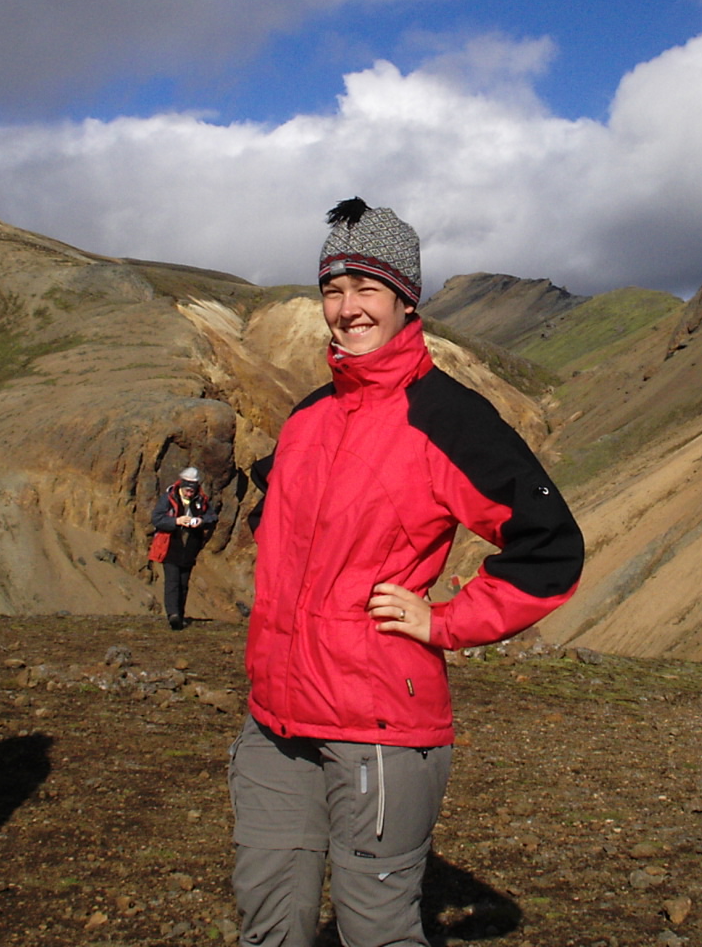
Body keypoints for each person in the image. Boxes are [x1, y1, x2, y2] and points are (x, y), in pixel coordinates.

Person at [230, 198, 586, 947]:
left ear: (404, 298)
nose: (347, 308)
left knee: (375, 929)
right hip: (274, 717)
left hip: (381, 727)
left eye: (367, 288)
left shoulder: (446, 418)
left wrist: (446, 621)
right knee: (266, 918)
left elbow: (549, 546)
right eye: (333, 288)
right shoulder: (307, 421)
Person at [148, 465, 219, 630]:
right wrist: (176, 521)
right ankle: (173, 615)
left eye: (191, 491)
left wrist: (202, 521)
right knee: (172, 581)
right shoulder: (168, 498)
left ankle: (179, 613)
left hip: (189, 548)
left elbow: (212, 517)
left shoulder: (202, 500)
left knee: (183, 582)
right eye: (187, 491)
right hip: (170, 545)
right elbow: (157, 518)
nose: (189, 494)